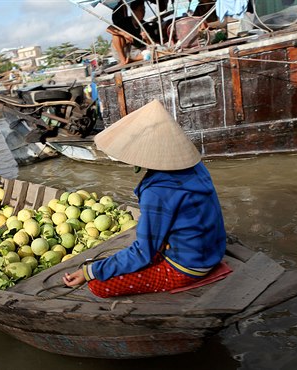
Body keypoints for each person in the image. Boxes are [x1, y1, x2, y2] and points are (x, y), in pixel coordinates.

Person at [63, 99, 227, 298]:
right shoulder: (195, 167)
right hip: (212, 251)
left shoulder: (156, 191)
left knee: (99, 285)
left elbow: (143, 253)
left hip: (189, 267)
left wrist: (89, 272)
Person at [108, 0, 150, 65]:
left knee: (153, 53)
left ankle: (131, 60)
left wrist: (147, 38)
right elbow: (109, 29)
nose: (143, 12)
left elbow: (150, 45)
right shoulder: (125, 21)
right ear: (134, 11)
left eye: (144, 9)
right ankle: (123, 60)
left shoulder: (145, 24)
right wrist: (124, 34)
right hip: (126, 51)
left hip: (138, 51)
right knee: (116, 35)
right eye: (141, 10)